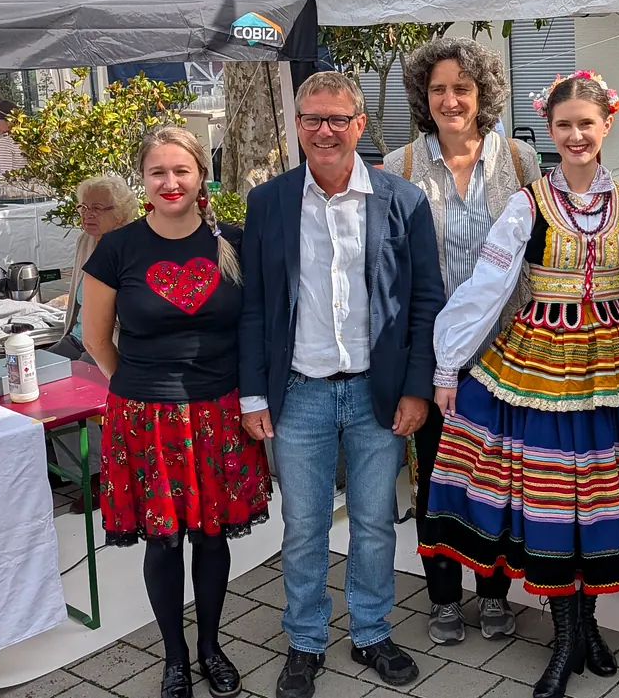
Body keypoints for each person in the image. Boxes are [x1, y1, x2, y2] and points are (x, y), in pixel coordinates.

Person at [424, 70, 619, 698]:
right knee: (550, 497)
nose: (576, 135)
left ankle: (587, 627)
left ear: (607, 127)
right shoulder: (529, 202)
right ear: (549, 130)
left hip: (614, 365)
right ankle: (565, 634)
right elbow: (486, 288)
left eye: (586, 124)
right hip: (541, 364)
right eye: (564, 125)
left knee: (599, 496)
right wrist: (447, 362)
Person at [237, 71, 445, 698]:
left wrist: (416, 386)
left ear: (359, 124)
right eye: (311, 119)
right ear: (298, 126)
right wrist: (253, 394)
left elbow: (425, 303)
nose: (323, 130)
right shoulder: (268, 201)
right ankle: (304, 642)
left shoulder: (401, 199)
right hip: (297, 391)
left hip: (376, 394)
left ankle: (372, 631)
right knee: (303, 525)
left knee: (376, 523)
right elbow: (255, 307)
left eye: (336, 119)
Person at [82, 126, 271, 698]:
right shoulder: (118, 249)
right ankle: (174, 658)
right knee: (163, 542)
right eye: (157, 172)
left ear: (200, 177)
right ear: (143, 181)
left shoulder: (233, 241)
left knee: (213, 539)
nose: (170, 182)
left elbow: (252, 329)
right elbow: (95, 338)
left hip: (220, 413)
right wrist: (141, 391)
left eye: (181, 171)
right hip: (145, 417)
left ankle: (212, 647)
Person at [383, 37, 541, 645]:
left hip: (510, 353)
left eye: (462, 88)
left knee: (499, 478)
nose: (450, 100)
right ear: (425, 97)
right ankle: (444, 596)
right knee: (436, 480)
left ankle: (495, 594)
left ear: (482, 95)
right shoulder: (398, 167)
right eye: (438, 89)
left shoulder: (522, 162)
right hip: (432, 356)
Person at [50, 174, 139, 514]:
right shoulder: (85, 241)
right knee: (36, 375)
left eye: (98, 208)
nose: (88, 215)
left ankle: (101, 478)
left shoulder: (131, 247)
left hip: (111, 339)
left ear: (121, 213)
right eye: (84, 207)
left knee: (73, 389)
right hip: (76, 334)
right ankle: (70, 469)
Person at [0, 100, 28, 201]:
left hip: (10, 188)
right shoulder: (29, 138)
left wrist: (2, 192)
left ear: (10, 121)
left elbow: (5, 172)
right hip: (28, 187)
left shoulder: (5, 141)